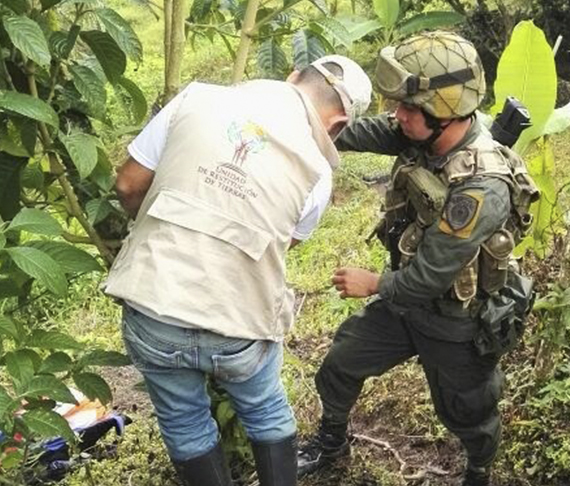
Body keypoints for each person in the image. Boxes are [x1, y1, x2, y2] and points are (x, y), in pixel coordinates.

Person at [104, 56, 372, 486]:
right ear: (338, 124)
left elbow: (128, 184)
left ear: (292, 78)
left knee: (184, 421)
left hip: (155, 304)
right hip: (238, 321)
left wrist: (159, 224)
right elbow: (284, 241)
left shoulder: (195, 98)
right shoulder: (319, 172)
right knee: (266, 410)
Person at [296, 31, 537, 486]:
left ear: (445, 115)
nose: (396, 116)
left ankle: (479, 471)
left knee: (468, 411)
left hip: (455, 319)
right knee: (341, 363)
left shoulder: (483, 185)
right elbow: (354, 131)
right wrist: (306, 119)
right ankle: (331, 442)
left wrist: (372, 284)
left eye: (407, 109)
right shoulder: (424, 131)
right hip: (405, 306)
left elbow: (429, 274)